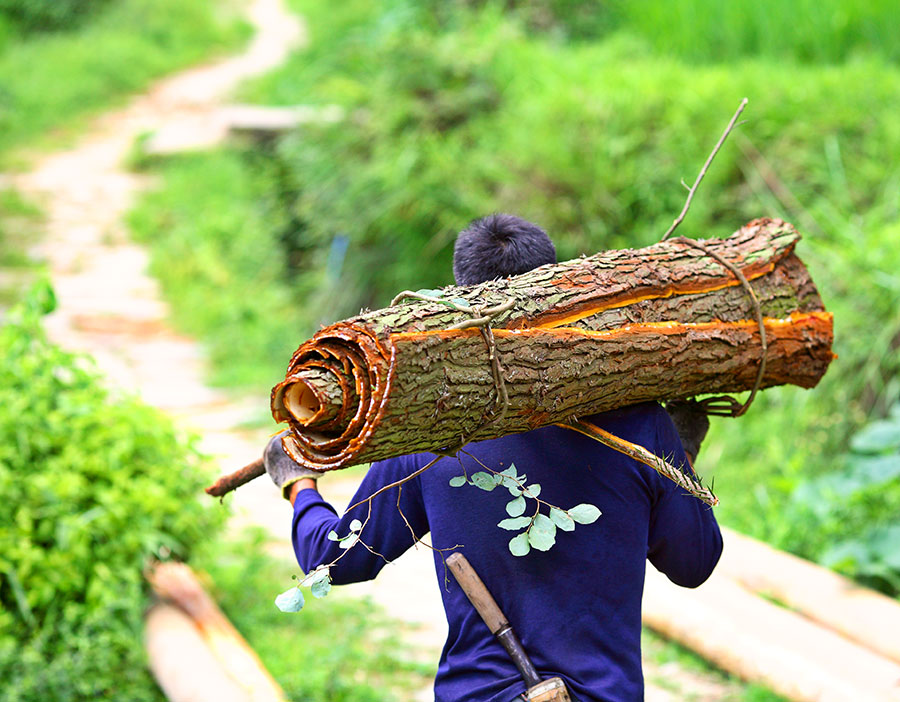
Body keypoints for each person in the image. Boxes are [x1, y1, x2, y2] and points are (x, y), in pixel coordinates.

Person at [264, 213, 722, 702]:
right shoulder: (637, 423)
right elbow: (693, 563)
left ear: (459, 302)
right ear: (558, 291)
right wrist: (678, 456)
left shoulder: (434, 431)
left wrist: (300, 482)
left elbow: (335, 560)